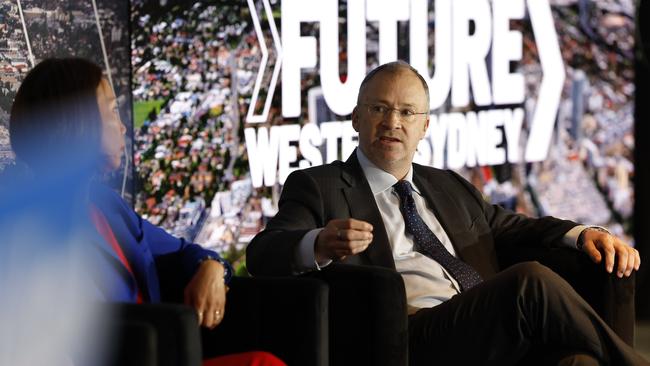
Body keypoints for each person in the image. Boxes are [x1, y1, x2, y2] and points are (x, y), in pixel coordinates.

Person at [247, 61, 647, 365]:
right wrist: (317, 243)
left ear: (424, 127)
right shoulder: (319, 185)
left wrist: (583, 234)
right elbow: (263, 253)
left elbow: (513, 227)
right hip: (410, 336)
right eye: (378, 109)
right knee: (529, 282)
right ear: (356, 118)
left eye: (406, 113)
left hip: (484, 325)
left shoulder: (447, 185)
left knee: (580, 361)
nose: (392, 123)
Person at [7, 57, 284, 366]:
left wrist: (211, 267)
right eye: (112, 111)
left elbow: (183, 252)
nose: (124, 126)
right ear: (79, 123)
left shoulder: (106, 205)